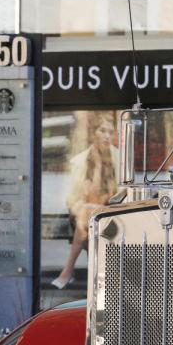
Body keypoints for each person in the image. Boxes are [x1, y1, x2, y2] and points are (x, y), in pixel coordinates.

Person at [52, 116, 119, 289]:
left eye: (110, 132)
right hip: (85, 217)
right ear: (93, 134)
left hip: (110, 214)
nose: (107, 136)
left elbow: (118, 196)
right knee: (86, 216)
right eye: (102, 131)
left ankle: (67, 271)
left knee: (88, 217)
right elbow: (74, 199)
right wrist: (96, 167)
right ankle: (93, 277)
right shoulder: (81, 161)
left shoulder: (118, 159)